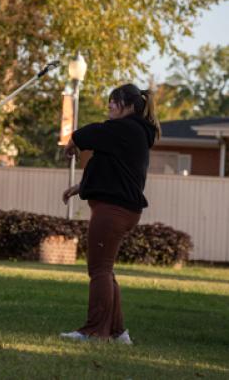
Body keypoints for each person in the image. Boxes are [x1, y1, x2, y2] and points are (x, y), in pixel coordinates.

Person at [60, 83, 160, 345]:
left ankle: (94, 331)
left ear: (127, 106)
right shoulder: (131, 133)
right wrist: (80, 187)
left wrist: (73, 142)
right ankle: (117, 333)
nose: (109, 106)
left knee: (99, 270)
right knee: (106, 270)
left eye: (113, 102)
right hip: (121, 209)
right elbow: (113, 171)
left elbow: (90, 133)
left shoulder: (126, 128)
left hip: (113, 211)